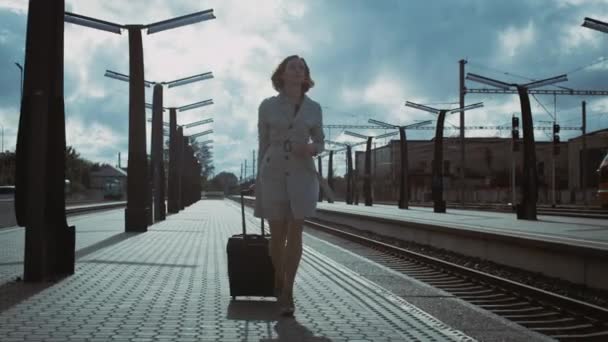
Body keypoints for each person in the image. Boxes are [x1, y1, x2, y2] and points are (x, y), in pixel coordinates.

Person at [254, 55, 325, 317]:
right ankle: (278, 279)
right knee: (277, 235)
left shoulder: (314, 108)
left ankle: (288, 291)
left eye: (301, 68)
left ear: (306, 77)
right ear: (281, 75)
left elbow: (321, 142)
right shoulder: (267, 106)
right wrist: (258, 181)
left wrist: (312, 148)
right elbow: (262, 143)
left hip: (302, 172)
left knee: (296, 233)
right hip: (272, 172)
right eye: (292, 67)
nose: (297, 71)